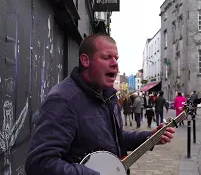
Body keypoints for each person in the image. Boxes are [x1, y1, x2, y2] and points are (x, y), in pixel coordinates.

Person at [25, 34, 175, 175]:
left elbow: (114, 137)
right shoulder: (63, 100)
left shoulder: (108, 96)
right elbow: (39, 163)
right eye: (106, 57)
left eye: (116, 58)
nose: (115, 64)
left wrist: (150, 137)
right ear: (85, 61)